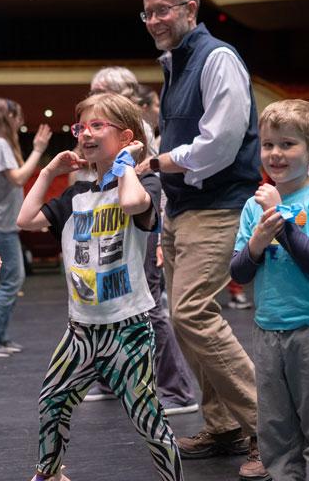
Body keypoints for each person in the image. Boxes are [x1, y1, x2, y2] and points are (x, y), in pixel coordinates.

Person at [138, 0, 268, 480]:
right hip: (186, 211)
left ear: (192, 9)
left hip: (219, 206)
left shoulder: (217, 58)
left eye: (163, 9)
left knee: (190, 312)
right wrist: (166, 208)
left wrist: (159, 160)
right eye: (147, 12)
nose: (154, 20)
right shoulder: (177, 64)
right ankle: (223, 424)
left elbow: (220, 144)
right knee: (185, 315)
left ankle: (270, 426)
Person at [17, 92, 183, 481]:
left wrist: (126, 163)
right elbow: (25, 219)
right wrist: (48, 172)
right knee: (53, 400)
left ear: (125, 137)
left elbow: (130, 204)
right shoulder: (76, 196)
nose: (85, 134)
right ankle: (51, 472)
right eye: (81, 127)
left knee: (148, 420)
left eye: (96, 125)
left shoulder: (145, 186)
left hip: (127, 329)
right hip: (81, 329)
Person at [231, 99, 309, 481]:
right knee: (276, 437)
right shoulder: (256, 206)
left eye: (287, 144)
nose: (275, 154)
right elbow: (240, 272)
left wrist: (282, 221)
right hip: (269, 330)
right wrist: (256, 243)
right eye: (268, 145)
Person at [82, 69, 198, 415]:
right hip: (111, 222)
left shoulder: (137, 131)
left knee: (148, 307)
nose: (94, 99)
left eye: (101, 91)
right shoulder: (105, 128)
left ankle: (176, 389)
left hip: (139, 225)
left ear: (123, 94)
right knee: (107, 298)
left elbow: (150, 190)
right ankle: (109, 377)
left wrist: (158, 237)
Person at [0, 98, 51, 357]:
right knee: (11, 282)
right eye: (17, 116)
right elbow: (18, 178)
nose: (21, 121)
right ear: (8, 116)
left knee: (11, 280)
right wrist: (39, 150)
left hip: (0, 222)